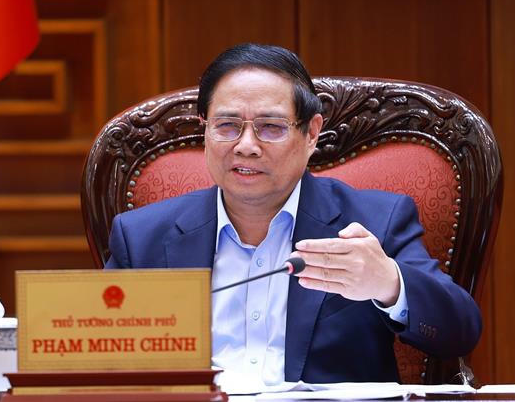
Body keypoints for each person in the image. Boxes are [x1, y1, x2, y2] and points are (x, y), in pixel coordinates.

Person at [105, 43, 481, 384]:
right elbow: (102, 359)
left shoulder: (373, 222)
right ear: (204, 129)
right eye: (227, 126)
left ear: (311, 133)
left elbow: (460, 331)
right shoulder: (142, 238)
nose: (246, 146)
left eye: (270, 127)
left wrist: (388, 283)